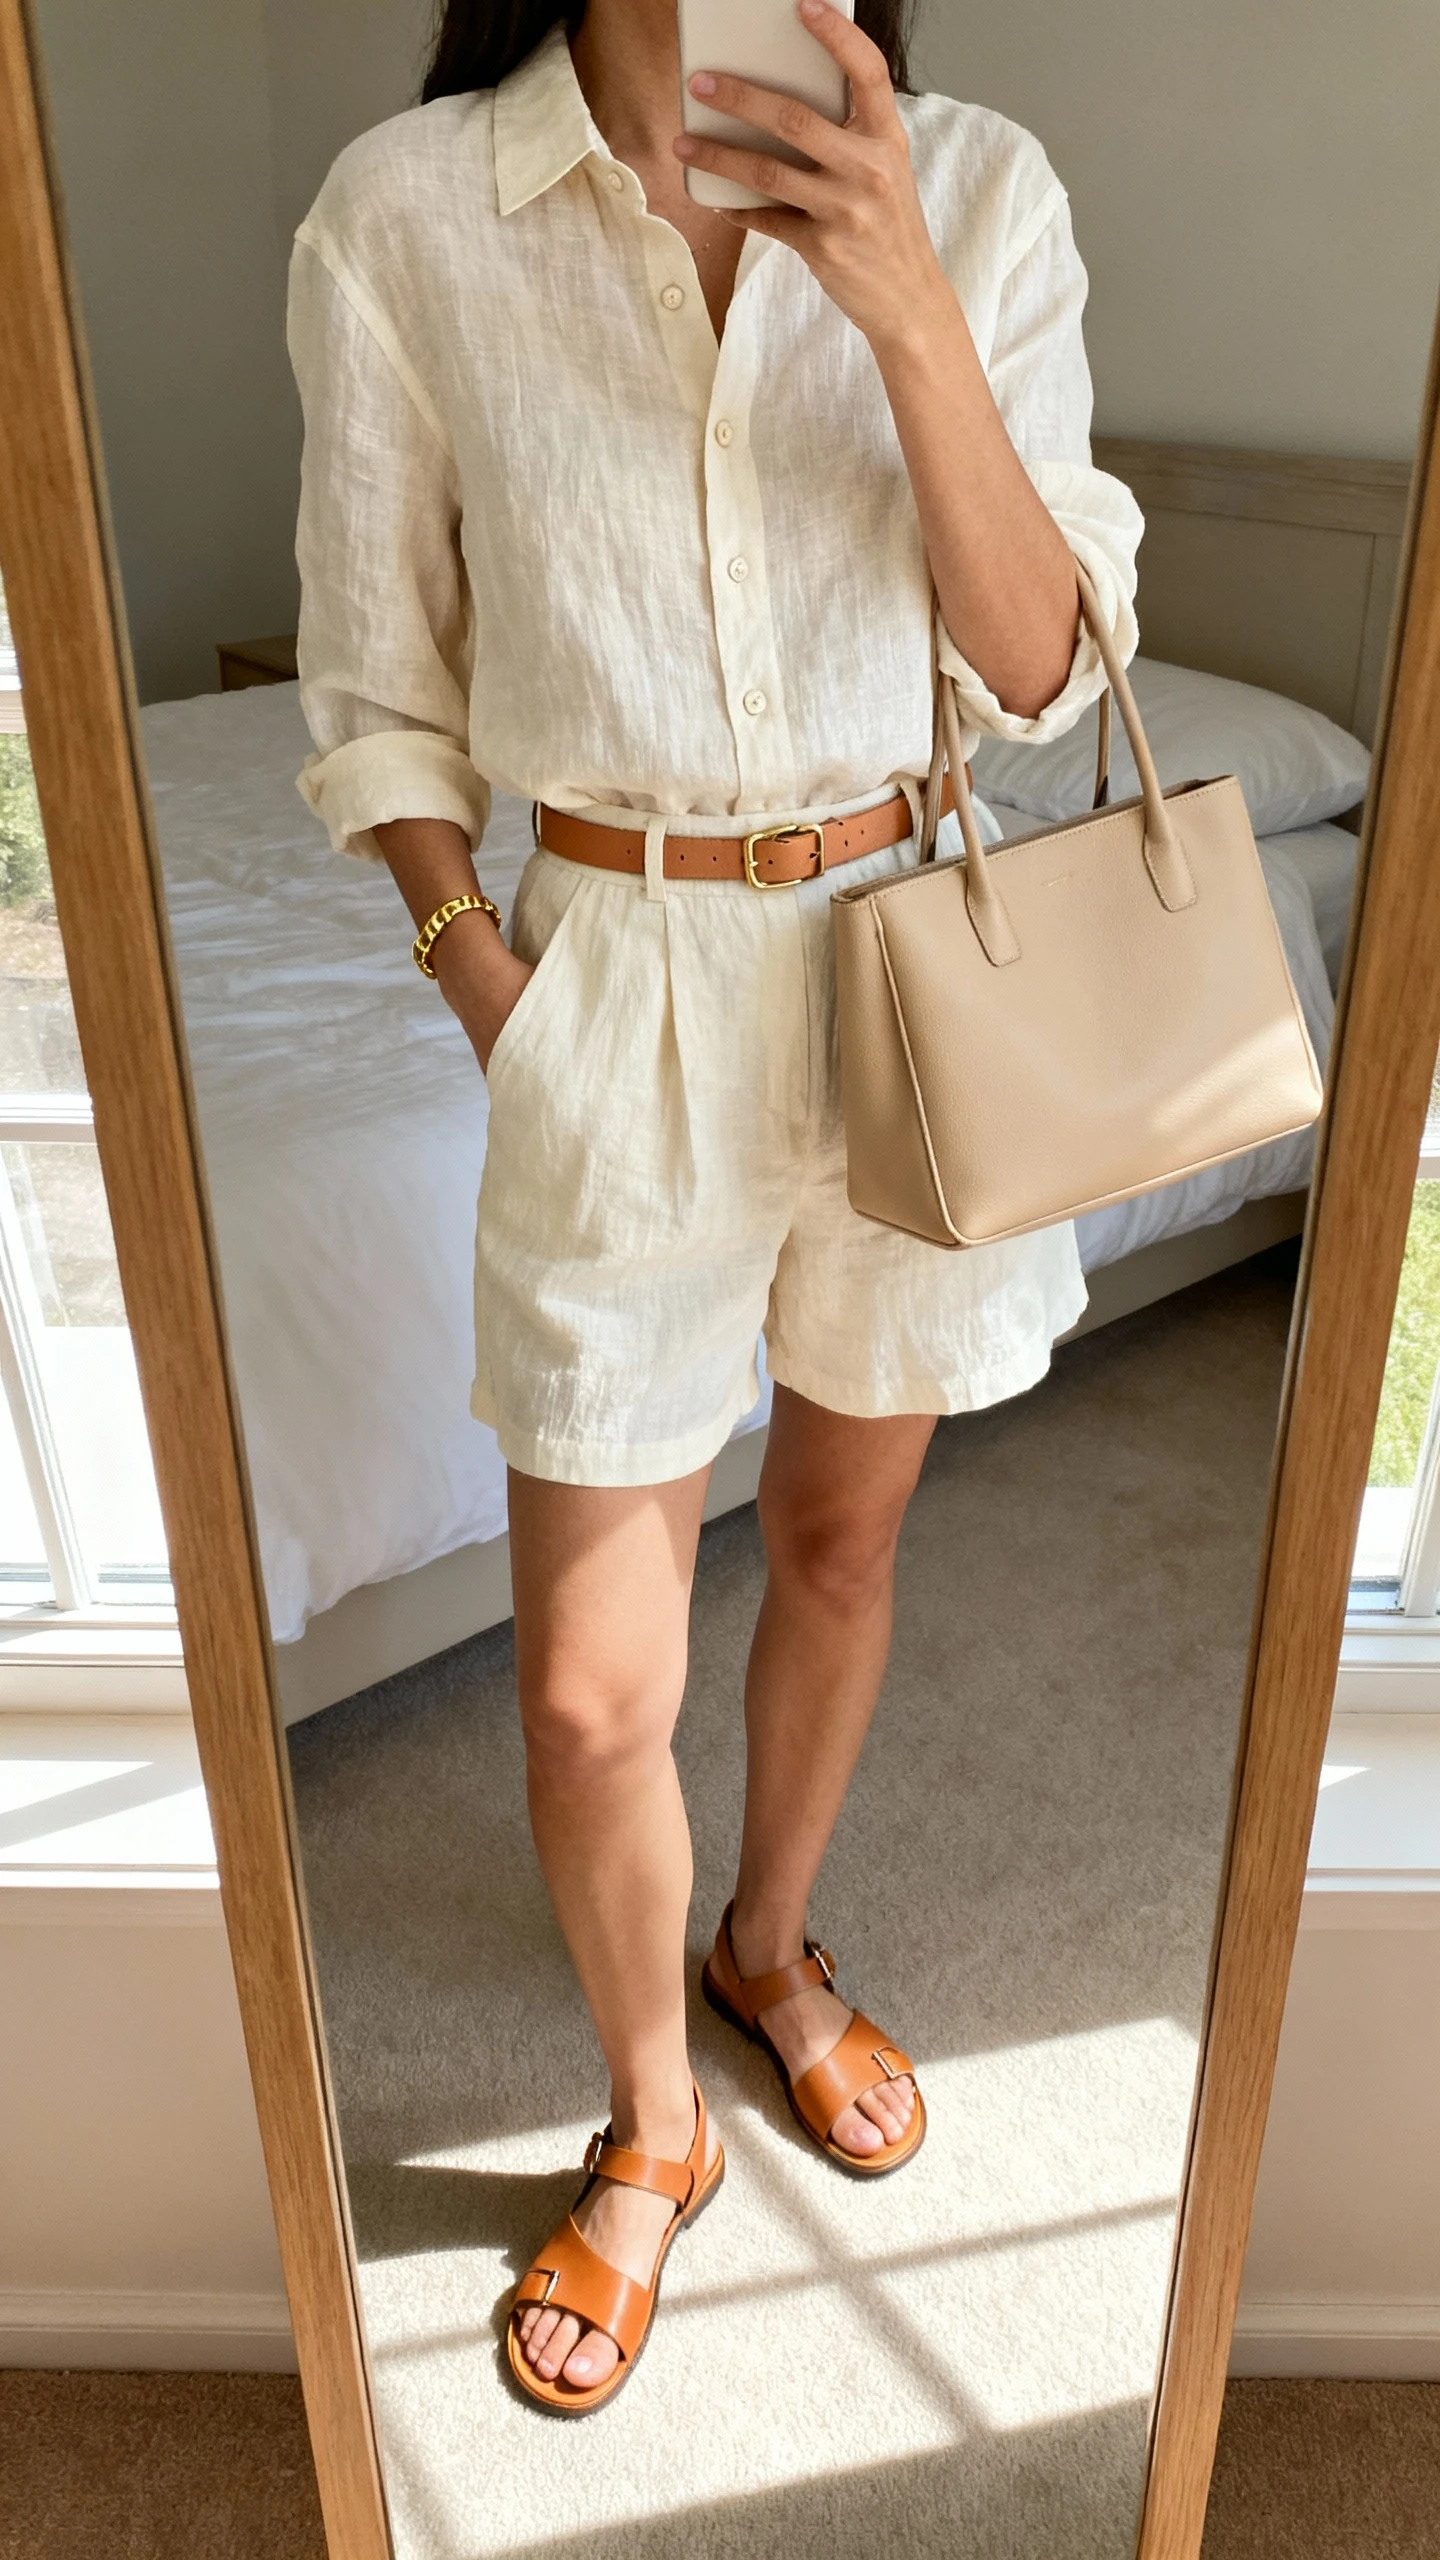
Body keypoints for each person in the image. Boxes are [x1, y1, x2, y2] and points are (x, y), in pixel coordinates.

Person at [288, 0, 1142, 2415]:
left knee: (851, 1537)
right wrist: (493, 982)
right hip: (610, 979)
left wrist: (900, 303)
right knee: (586, 1685)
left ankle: (770, 1940)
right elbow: (377, 682)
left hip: (908, 957)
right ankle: (655, 2124)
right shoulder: (410, 213)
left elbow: (1047, 668)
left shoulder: (971, 182)